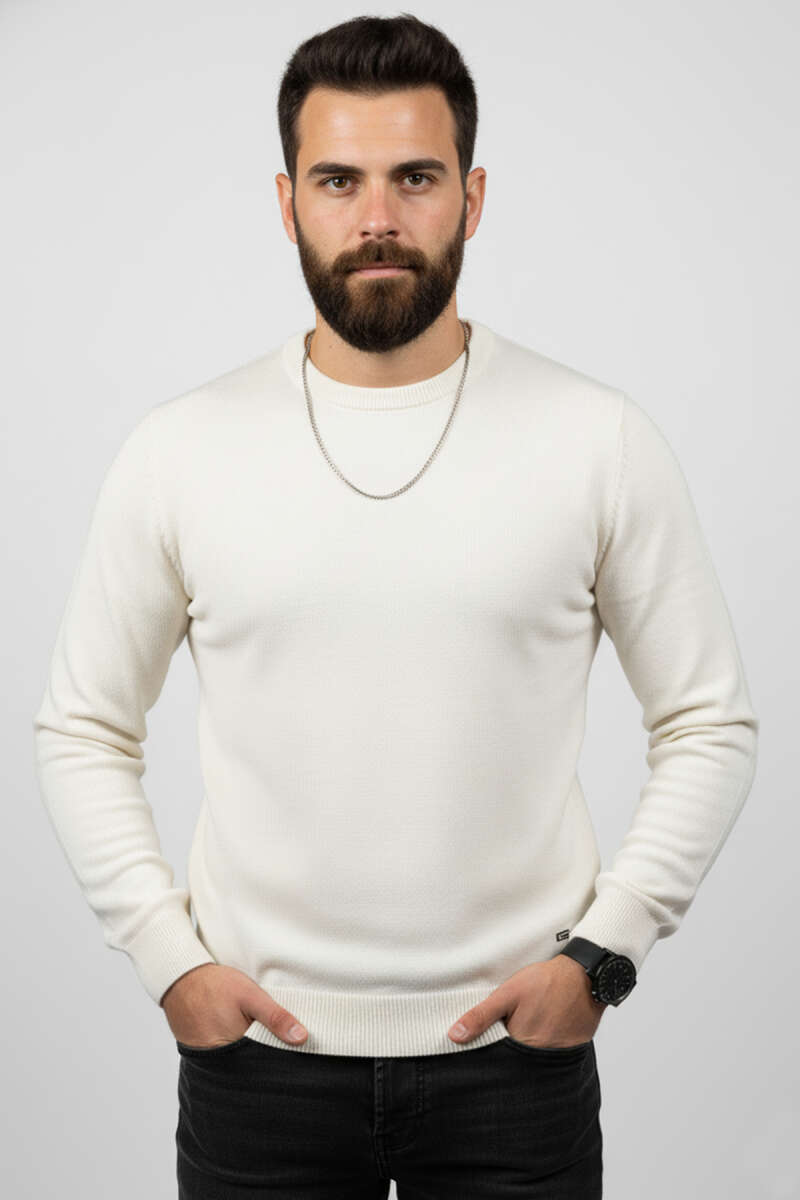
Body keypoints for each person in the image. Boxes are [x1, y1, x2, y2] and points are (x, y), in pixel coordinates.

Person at [32, 13, 759, 1199]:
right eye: (338, 181)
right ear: (287, 205)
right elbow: (82, 727)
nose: (377, 217)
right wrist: (169, 961)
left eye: (414, 178)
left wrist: (601, 957)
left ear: (472, 196)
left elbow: (706, 721)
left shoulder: (596, 440)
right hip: (257, 1071)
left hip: (515, 1068)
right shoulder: (181, 451)